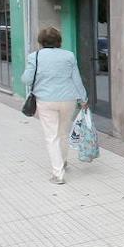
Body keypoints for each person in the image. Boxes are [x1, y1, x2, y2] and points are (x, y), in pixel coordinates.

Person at [21, 27, 88, 184]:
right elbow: (76, 79)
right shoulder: (69, 56)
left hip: (46, 101)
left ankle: (58, 174)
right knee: (63, 132)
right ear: (59, 41)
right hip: (68, 100)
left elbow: (26, 79)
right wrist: (83, 98)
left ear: (41, 42)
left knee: (52, 136)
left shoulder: (34, 57)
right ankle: (63, 161)